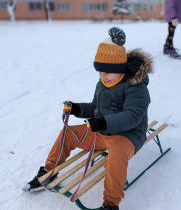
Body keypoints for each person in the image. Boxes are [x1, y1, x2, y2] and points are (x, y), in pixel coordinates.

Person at [22, 27, 153, 210]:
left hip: (127, 136)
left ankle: (111, 204)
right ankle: (49, 172)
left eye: (108, 72)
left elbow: (132, 117)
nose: (103, 76)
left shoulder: (136, 88)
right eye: (100, 72)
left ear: (121, 70)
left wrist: (104, 122)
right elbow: (95, 107)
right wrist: (77, 108)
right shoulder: (103, 83)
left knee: (114, 159)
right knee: (67, 133)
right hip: (101, 131)